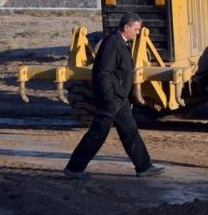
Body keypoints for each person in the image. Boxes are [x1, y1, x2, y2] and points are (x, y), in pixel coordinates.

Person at [64, 13, 165, 179]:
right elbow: (103, 72)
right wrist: (110, 96)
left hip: (119, 99)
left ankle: (144, 166)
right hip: (111, 99)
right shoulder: (112, 43)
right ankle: (74, 168)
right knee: (98, 133)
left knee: (130, 131)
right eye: (136, 29)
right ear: (126, 28)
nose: (137, 33)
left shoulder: (121, 42)